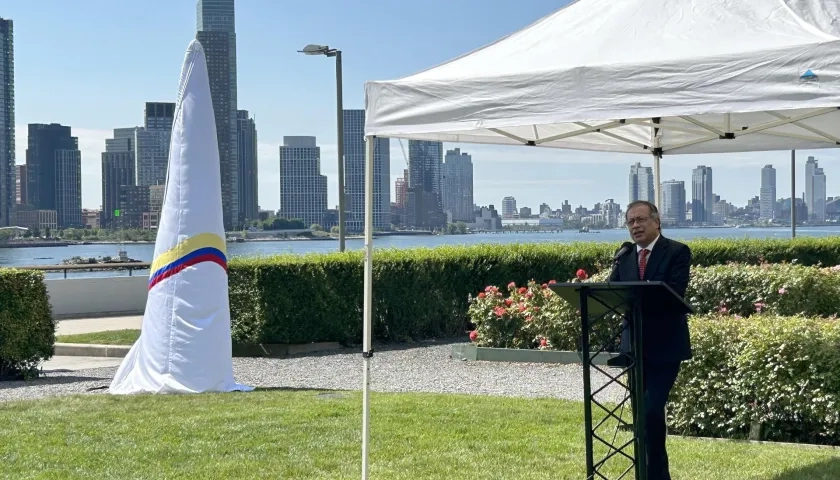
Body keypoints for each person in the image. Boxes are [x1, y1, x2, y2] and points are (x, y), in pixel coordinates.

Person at [608, 200, 692, 480]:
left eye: (641, 219)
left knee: (651, 410)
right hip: (634, 348)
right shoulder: (624, 256)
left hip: (665, 347)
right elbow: (611, 295)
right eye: (630, 221)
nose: (635, 226)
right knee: (644, 418)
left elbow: (674, 293)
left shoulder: (677, 252)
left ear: (657, 221)